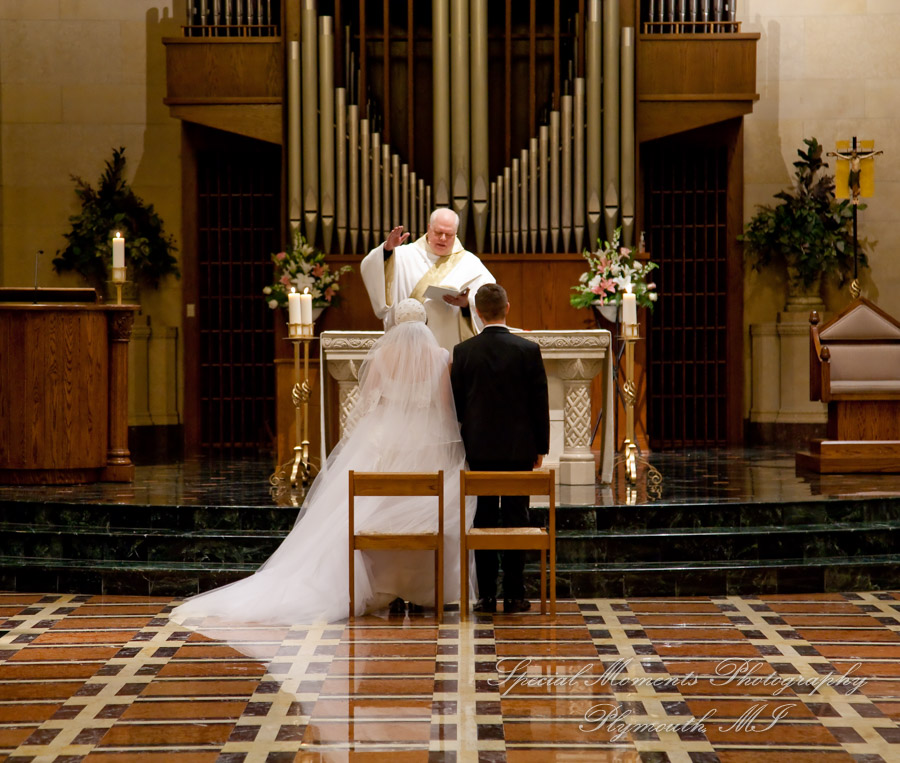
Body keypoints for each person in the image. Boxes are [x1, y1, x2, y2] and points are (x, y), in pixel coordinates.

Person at [171, 299, 475, 626]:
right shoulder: (441, 357)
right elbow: (445, 408)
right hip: (428, 440)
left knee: (363, 510)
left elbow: (368, 403)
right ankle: (424, 589)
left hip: (383, 437)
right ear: (425, 322)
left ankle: (378, 585)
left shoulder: (382, 355)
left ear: (396, 324)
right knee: (430, 509)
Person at [450, 283, 550, 615]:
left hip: (478, 449)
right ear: (507, 307)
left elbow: (457, 407)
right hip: (519, 449)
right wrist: (541, 447)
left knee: (484, 518)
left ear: (477, 311)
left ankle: (486, 597)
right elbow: (539, 404)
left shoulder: (463, 352)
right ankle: (516, 594)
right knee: (517, 518)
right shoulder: (527, 349)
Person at [360, 208, 495, 352]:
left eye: (449, 234)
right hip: (407, 346)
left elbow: (489, 300)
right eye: (438, 232)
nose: (443, 238)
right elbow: (370, 266)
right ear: (429, 228)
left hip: (448, 346)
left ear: (456, 234)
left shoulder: (470, 263)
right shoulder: (402, 255)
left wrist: (467, 304)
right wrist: (387, 249)